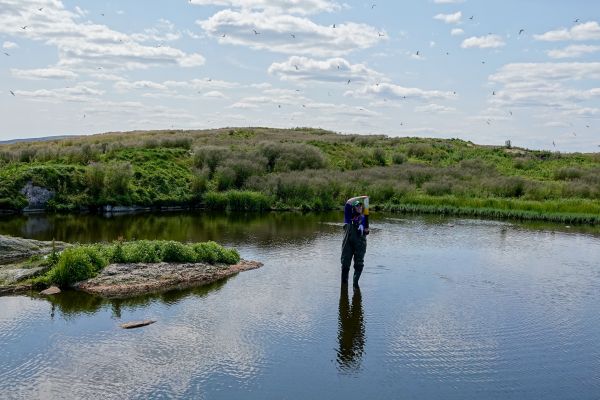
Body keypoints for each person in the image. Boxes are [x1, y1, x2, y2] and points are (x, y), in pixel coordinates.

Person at [341, 196, 369, 288]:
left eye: (361, 205)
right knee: (345, 264)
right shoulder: (348, 216)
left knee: (359, 265)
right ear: (353, 208)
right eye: (357, 206)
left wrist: (365, 230)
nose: (359, 207)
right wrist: (362, 197)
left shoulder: (364, 218)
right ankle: (344, 285)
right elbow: (349, 201)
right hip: (348, 243)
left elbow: (366, 231)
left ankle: (355, 285)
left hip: (360, 244)